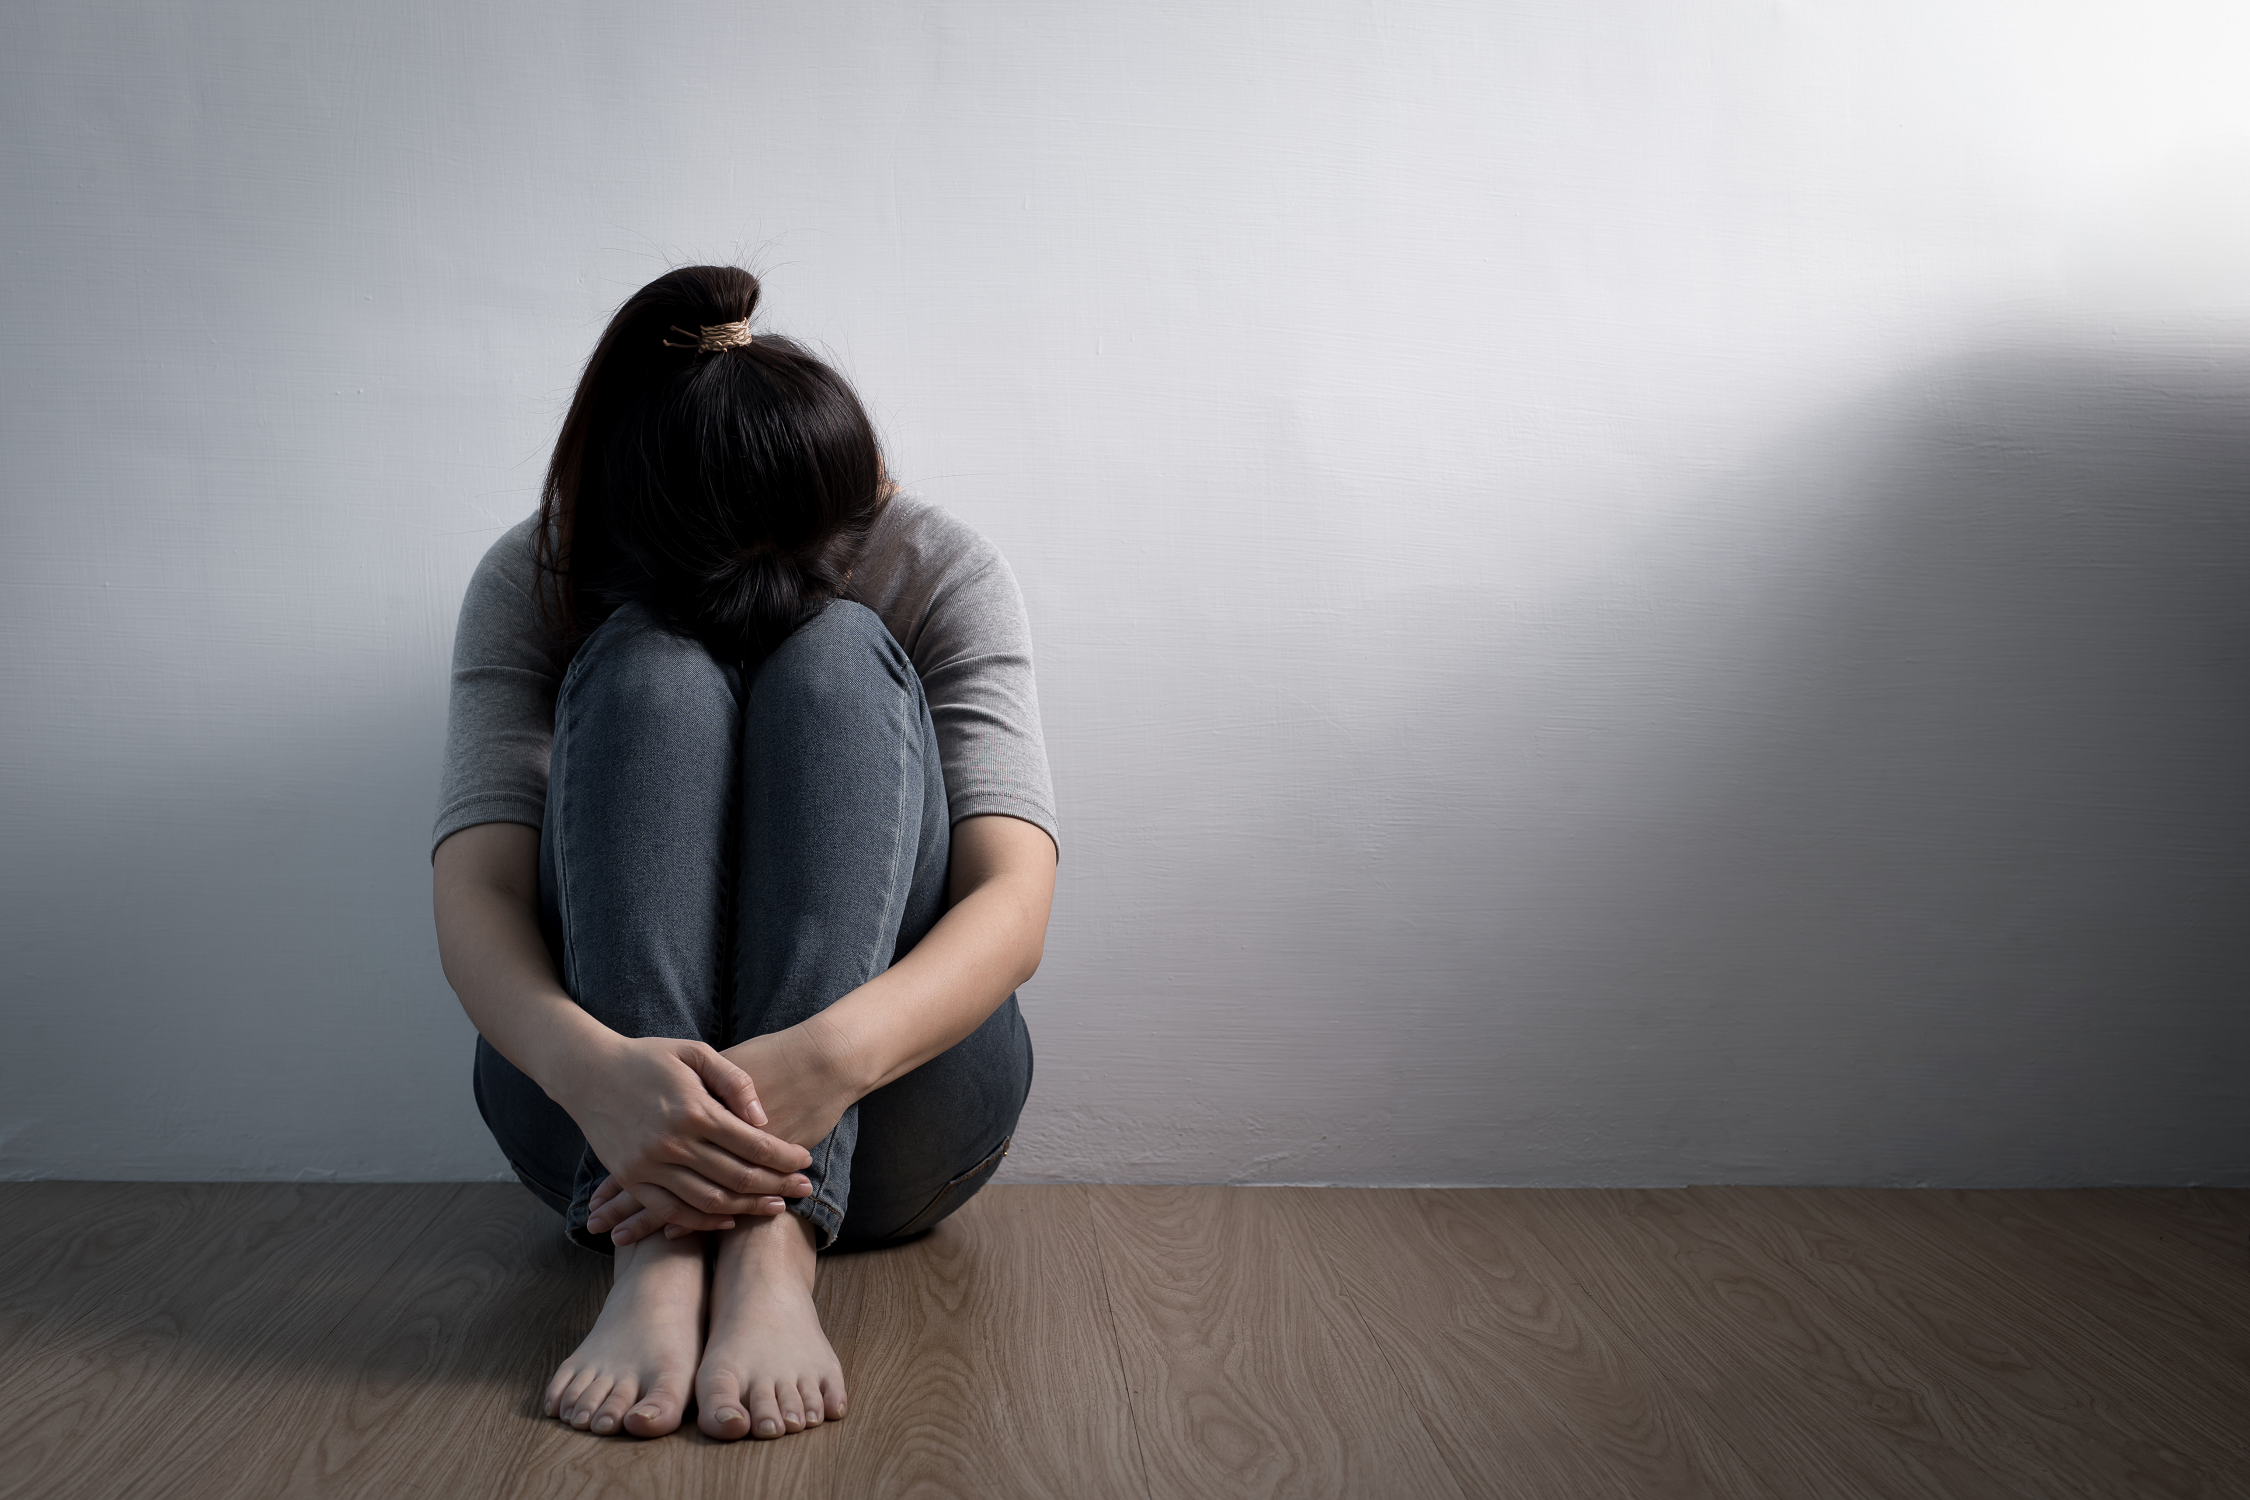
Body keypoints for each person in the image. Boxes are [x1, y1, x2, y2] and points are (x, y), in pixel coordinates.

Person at [430, 265, 1057, 1443]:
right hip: (593, 1133)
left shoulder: (935, 562)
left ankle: (774, 1246)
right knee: (648, 668)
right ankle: (658, 1252)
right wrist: (599, 1073)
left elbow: (1015, 898)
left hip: (898, 1114)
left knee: (833, 653)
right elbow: (477, 894)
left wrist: (819, 1066)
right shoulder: (543, 568)